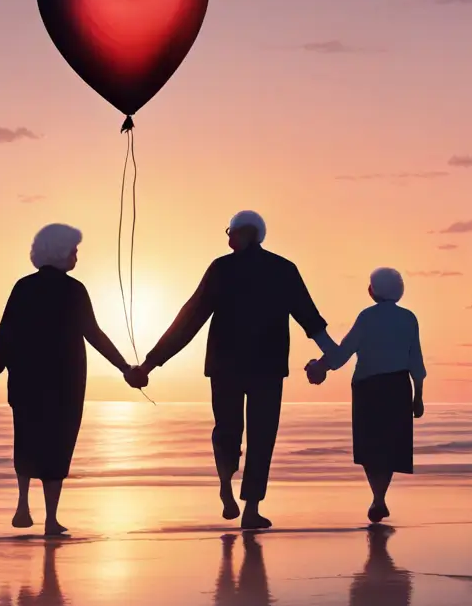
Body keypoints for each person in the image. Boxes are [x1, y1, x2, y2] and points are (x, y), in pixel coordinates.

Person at [131, 210, 333, 529]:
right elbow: (310, 318)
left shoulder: (221, 269)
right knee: (262, 435)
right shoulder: (283, 269)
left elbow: (189, 319)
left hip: (225, 365)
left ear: (242, 235)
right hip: (268, 366)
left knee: (226, 429)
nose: (227, 239)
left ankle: (226, 481)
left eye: (230, 232)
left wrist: (150, 363)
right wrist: (331, 356)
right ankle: (251, 509)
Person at [0, 223, 133, 536]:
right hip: (64, 381)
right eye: (74, 250)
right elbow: (94, 334)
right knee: (58, 445)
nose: (77, 256)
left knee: (25, 440)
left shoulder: (23, 287)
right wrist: (124, 367)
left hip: (25, 379)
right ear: (61, 252)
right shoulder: (73, 290)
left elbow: (5, 335)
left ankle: (23, 506)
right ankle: (50, 518)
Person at [306, 267, 426, 524]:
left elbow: (342, 354)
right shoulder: (409, 318)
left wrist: (319, 365)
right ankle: (379, 497)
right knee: (390, 446)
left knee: (370, 446)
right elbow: (415, 359)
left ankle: (377, 497)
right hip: (398, 387)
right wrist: (418, 396)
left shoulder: (367, 317)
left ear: (374, 290)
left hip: (368, 387)